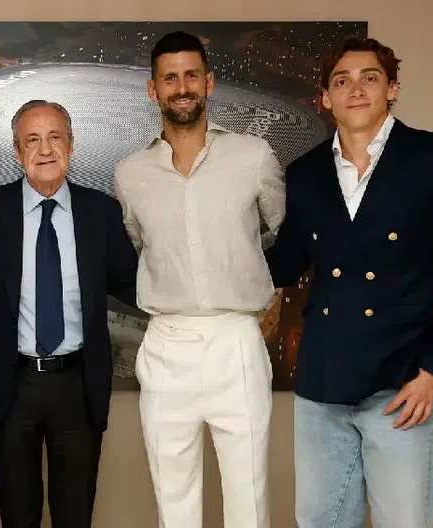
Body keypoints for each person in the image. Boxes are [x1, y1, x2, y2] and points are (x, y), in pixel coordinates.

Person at [265, 36, 433, 527]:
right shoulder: (305, 174)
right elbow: (283, 266)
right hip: (321, 388)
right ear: (325, 98)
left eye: (369, 78)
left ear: (392, 88)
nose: (356, 90)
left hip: (402, 387)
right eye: (341, 81)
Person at [113, 31, 285, 528]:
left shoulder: (254, 156)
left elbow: (280, 232)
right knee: (174, 501)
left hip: (237, 339)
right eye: (170, 78)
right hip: (167, 344)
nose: (182, 87)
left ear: (208, 82)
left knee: (249, 499)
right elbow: (141, 244)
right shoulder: (130, 173)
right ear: (154, 90)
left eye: (191, 75)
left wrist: (264, 291)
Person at [0, 99, 138, 528]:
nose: (45, 150)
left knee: (74, 516)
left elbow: (132, 284)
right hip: (12, 385)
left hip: (78, 385)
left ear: (71, 145)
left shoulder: (101, 212)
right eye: (32, 140)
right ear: (17, 150)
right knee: (17, 516)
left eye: (55, 137)